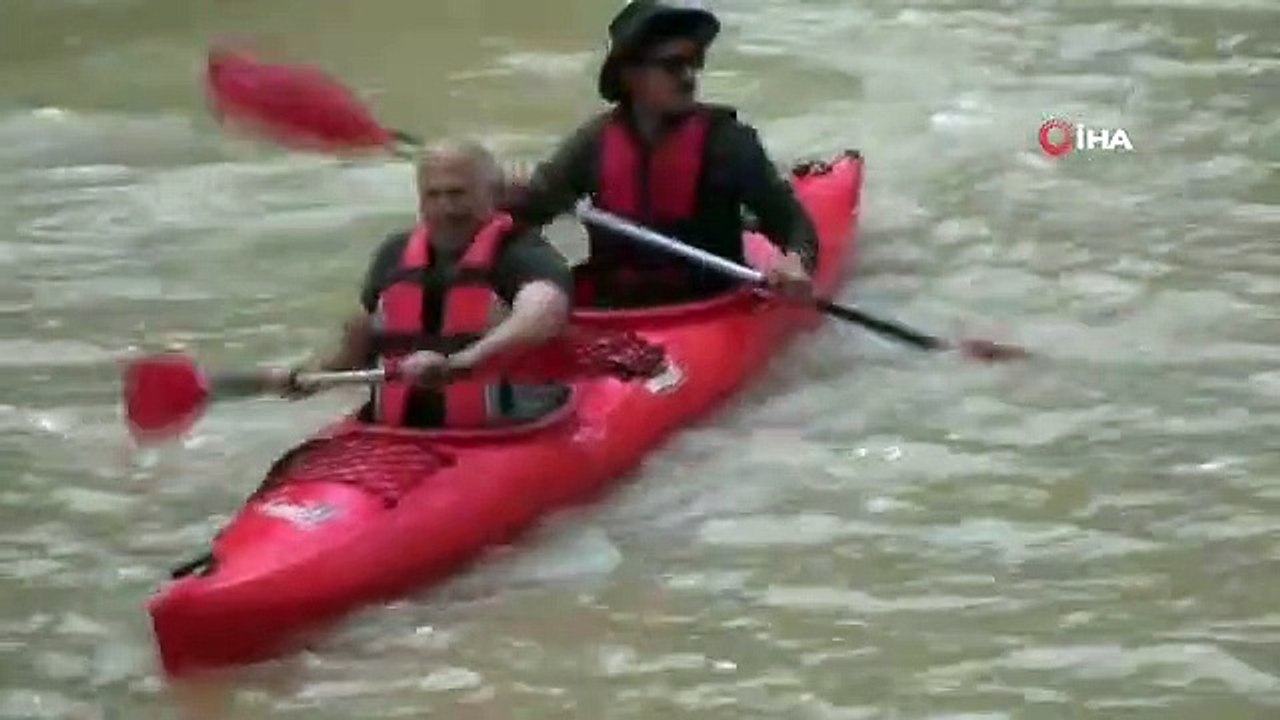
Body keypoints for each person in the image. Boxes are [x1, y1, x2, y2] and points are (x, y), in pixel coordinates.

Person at [502, 0, 818, 309]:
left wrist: (796, 262)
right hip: (613, 308)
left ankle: (744, 223)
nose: (688, 77)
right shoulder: (593, 143)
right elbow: (525, 215)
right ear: (630, 76)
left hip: (707, 306)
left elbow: (794, 226)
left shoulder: (729, 142)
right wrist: (507, 200)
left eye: (693, 63)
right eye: (672, 65)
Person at [272, 140, 574, 428]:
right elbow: (357, 342)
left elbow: (542, 312)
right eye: (434, 195)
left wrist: (461, 361)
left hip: (510, 424)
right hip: (397, 431)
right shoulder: (394, 253)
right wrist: (312, 376)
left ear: (493, 195)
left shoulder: (522, 251)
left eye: (457, 194)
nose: (445, 207)